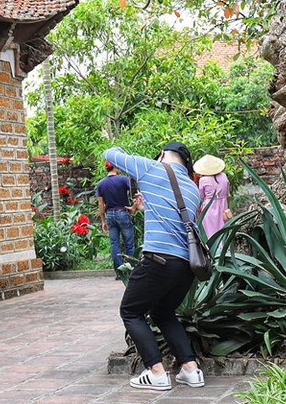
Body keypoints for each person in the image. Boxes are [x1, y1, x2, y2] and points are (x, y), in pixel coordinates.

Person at [102, 141, 205, 391]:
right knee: (163, 313)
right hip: (186, 266)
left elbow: (111, 154)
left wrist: (122, 149)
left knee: (130, 311)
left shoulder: (151, 169)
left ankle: (156, 372)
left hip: (159, 259)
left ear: (162, 155)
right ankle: (191, 370)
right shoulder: (192, 187)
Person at [95, 160, 136, 279]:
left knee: (115, 244)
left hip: (110, 215)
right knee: (129, 244)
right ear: (115, 168)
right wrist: (133, 208)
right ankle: (130, 270)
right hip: (123, 213)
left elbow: (101, 205)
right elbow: (135, 194)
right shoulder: (123, 180)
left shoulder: (101, 184)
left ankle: (119, 273)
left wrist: (103, 221)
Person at [193, 154, 232, 237]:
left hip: (209, 207)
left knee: (210, 232)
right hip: (223, 206)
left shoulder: (203, 180)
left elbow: (201, 196)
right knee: (223, 230)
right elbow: (227, 192)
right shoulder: (224, 176)